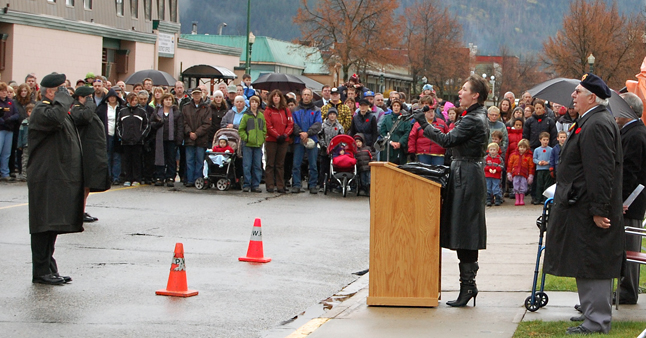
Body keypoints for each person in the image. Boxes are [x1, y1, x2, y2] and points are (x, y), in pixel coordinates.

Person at [543, 74, 624, 335]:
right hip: (582, 207)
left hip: (590, 210)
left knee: (593, 264)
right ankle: (591, 317)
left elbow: (600, 172)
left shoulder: (597, 123)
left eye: (578, 92)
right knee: (585, 263)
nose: (572, 95)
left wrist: (600, 210)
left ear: (592, 97)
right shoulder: (590, 120)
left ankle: (597, 322)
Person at [413, 74, 489, 307]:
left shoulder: (473, 119)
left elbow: (447, 140)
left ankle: (468, 286)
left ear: (475, 95)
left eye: (464, 89)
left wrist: (424, 124)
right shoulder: (474, 115)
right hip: (464, 172)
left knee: (466, 231)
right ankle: (468, 286)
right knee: (464, 230)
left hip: (466, 174)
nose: (460, 92)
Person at [28, 72, 81, 285]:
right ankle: (40, 271)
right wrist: (61, 100)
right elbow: (55, 118)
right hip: (44, 176)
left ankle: (49, 267)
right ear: (50, 91)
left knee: (52, 224)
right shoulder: (42, 110)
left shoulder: (56, 110)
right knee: (43, 224)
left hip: (55, 176)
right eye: (61, 89)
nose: (66, 92)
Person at [615, 92, 646, 305]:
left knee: (630, 248)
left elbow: (630, 173)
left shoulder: (635, 134)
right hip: (630, 200)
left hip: (631, 203)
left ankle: (628, 291)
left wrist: (621, 200)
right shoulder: (630, 132)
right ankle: (625, 288)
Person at [69, 86, 111, 223]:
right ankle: (76, 212)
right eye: (87, 97)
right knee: (82, 185)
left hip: (91, 151)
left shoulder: (87, 109)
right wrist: (89, 105)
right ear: (80, 97)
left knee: (87, 185)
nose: (90, 100)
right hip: (83, 151)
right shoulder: (77, 109)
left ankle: (81, 210)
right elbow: (85, 118)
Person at [291, 88, 322, 194]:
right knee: (296, 164)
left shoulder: (317, 110)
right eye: (305, 94)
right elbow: (293, 124)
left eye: (308, 94)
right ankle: (296, 184)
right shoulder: (295, 110)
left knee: (313, 164)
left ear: (312, 96)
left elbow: (318, 124)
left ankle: (313, 185)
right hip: (298, 140)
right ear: (302, 96)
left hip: (312, 139)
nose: (306, 96)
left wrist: (308, 133)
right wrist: (300, 133)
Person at [264, 89, 293, 194]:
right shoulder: (268, 111)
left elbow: (290, 124)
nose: (276, 98)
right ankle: (270, 185)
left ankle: (280, 185)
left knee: (280, 164)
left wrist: (285, 135)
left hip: (283, 140)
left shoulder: (286, 110)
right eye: (274, 96)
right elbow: (268, 125)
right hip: (271, 140)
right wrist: (276, 135)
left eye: (278, 96)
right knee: (270, 163)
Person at [182, 89, 212, 188]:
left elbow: (207, 123)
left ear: (202, 95)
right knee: (189, 160)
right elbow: (184, 122)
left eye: (198, 94)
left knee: (200, 161)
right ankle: (190, 180)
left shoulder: (206, 108)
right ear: (192, 95)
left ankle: (198, 180)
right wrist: (190, 132)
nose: (196, 96)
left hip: (201, 138)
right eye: (195, 94)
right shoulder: (186, 108)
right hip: (189, 138)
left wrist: (197, 133)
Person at [118, 93, 149, 187]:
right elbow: (118, 125)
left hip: (137, 141)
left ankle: (137, 178)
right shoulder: (122, 111)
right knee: (127, 160)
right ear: (128, 100)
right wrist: (122, 136)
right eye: (132, 100)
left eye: (135, 100)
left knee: (137, 160)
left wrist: (141, 136)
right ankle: (128, 178)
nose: (134, 102)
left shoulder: (142, 111)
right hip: (126, 140)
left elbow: (146, 125)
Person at [153, 93, 182, 187]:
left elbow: (179, 127)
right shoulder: (157, 111)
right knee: (160, 158)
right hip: (159, 139)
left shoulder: (176, 112)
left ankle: (170, 177)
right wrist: (158, 124)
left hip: (171, 139)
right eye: (166, 100)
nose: (168, 101)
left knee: (171, 159)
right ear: (163, 101)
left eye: (170, 100)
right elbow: (151, 123)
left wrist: (179, 140)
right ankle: (159, 177)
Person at [96, 88, 124, 184]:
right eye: (110, 97)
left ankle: (116, 177)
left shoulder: (121, 108)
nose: (112, 99)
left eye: (114, 97)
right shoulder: (102, 108)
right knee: (107, 156)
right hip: (106, 135)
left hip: (117, 136)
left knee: (117, 157)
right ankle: (107, 177)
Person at [239, 96, 266, 193]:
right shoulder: (246, 116)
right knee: (247, 165)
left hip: (258, 145)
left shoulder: (261, 116)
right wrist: (246, 138)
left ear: (258, 104)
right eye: (252, 102)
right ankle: (247, 184)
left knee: (257, 165)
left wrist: (262, 138)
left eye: (256, 102)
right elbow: (241, 129)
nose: (254, 104)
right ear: (250, 103)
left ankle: (255, 184)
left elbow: (264, 129)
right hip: (248, 144)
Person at [318, 107, 344, 189]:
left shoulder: (339, 127)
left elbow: (341, 138)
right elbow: (320, 136)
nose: (332, 116)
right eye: (330, 114)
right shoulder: (323, 125)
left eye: (334, 114)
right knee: (323, 167)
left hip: (335, 150)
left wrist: (336, 147)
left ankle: (333, 184)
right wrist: (324, 145)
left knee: (334, 167)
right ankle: (322, 183)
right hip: (324, 150)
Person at [378, 99, 411, 164]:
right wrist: (390, 142)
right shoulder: (386, 118)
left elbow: (407, 132)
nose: (396, 107)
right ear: (392, 107)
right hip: (388, 148)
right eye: (394, 105)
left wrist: (400, 143)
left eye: (398, 106)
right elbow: (382, 131)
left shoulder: (405, 119)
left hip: (401, 148)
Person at [0, 82, 19, 180]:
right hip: (1, 129)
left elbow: (17, 114)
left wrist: (10, 119)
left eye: (5, 91)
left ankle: (5, 173)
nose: (4, 93)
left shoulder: (11, 102)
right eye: (2, 91)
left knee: (6, 153)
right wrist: (3, 121)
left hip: (9, 130)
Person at [507, 139, 534, 206]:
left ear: (527, 148)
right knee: (516, 186)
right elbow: (510, 164)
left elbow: (531, 166)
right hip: (515, 174)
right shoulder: (513, 155)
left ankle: (521, 199)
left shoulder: (529, 156)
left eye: (524, 147)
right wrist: (509, 173)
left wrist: (531, 175)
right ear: (518, 147)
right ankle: (517, 199)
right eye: (521, 147)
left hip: (524, 174)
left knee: (523, 186)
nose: (522, 149)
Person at [532, 132, 553, 204]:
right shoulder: (537, 150)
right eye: (544, 140)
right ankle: (538, 198)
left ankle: (545, 199)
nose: (545, 141)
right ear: (540, 140)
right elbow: (534, 159)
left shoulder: (551, 150)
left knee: (547, 184)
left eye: (547, 140)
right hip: (540, 169)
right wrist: (539, 162)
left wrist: (547, 162)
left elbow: (552, 159)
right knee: (539, 184)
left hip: (547, 169)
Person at [16, 103, 33, 181]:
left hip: (34, 144)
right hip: (26, 144)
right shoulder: (24, 122)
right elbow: (20, 134)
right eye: (29, 111)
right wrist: (20, 144)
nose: (31, 113)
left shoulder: (38, 121)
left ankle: (33, 175)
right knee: (25, 159)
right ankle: (24, 175)